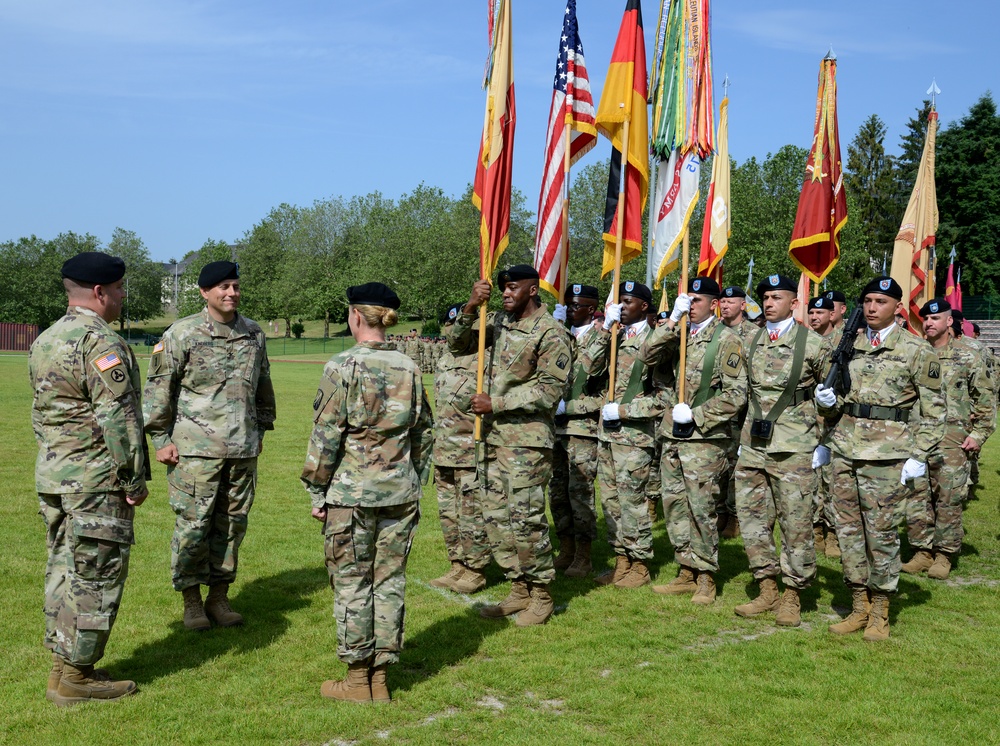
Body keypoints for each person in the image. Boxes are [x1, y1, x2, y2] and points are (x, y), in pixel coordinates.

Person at [302, 283, 432, 703]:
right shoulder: (408, 366)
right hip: (400, 492)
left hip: (352, 496)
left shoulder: (342, 365)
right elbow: (425, 430)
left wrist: (316, 491)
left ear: (356, 316)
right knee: (390, 582)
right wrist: (414, 477)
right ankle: (380, 678)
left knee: (352, 584)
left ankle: (358, 681)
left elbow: (325, 436)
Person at [30, 251, 148, 706]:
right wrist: (133, 481)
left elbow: (41, 415)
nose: (121, 296)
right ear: (99, 292)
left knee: (64, 571)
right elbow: (118, 420)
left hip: (56, 475)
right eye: (119, 289)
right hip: (96, 481)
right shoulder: (101, 344)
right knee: (96, 576)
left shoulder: (46, 339)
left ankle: (63, 667)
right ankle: (78, 676)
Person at [144, 261, 276, 630]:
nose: (231, 292)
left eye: (235, 285)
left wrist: (260, 430)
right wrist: (159, 438)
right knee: (193, 525)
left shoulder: (253, 333)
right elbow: (159, 389)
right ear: (204, 292)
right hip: (194, 451)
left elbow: (262, 383)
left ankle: (219, 597)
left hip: (242, 448)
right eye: (222, 287)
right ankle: (191, 602)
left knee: (233, 525)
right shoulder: (181, 334)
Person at [816, 277, 945, 641]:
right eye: (868, 301)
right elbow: (838, 397)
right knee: (848, 532)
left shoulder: (915, 350)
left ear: (897, 308)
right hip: (844, 449)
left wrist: (920, 455)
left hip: (888, 455)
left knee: (881, 533)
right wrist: (826, 404)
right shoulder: (848, 344)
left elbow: (936, 411)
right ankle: (859, 605)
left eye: (881, 302)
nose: (872, 308)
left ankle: (881, 610)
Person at [446, 265, 571, 626]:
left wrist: (496, 404)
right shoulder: (498, 322)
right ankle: (519, 588)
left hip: (526, 443)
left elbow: (549, 391)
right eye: (501, 288)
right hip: (491, 439)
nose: (504, 293)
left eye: (512, 287)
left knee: (526, 520)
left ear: (533, 290)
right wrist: (471, 305)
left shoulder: (551, 332)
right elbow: (457, 345)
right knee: (497, 518)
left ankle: (542, 594)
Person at [639, 276, 747, 605]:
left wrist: (698, 415)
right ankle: (685, 569)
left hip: (705, 438)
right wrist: (672, 319)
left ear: (714, 303)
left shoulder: (726, 339)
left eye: (698, 300)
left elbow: (737, 394)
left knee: (701, 508)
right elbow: (646, 354)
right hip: (673, 434)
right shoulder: (679, 334)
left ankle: (705, 577)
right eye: (689, 300)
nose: (693, 305)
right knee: (674, 506)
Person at [732, 275, 831, 627]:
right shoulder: (751, 340)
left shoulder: (815, 345)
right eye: (765, 297)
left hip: (794, 447)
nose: (769, 302)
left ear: (794, 302)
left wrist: (825, 437)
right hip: (753, 445)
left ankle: (793, 595)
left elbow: (834, 398)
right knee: (753, 521)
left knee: (796, 523)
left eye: (777, 297)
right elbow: (740, 391)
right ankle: (766, 587)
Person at [901, 299, 995, 579]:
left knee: (948, 497)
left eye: (935, 319)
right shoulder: (915, 352)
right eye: (926, 319)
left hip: (952, 439)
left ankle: (944, 554)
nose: (929, 323)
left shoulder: (969, 355)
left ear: (949, 322)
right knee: (917, 496)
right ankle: (922, 550)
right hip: (917, 437)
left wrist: (979, 434)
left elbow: (986, 398)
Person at [585, 281, 664, 588]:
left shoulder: (656, 341)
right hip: (608, 436)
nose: (622, 307)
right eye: (619, 302)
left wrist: (624, 411)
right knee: (612, 503)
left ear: (644, 306)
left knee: (633, 502)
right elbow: (589, 368)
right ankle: (621, 560)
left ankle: (640, 564)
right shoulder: (613, 337)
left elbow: (664, 398)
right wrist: (605, 328)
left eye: (628, 302)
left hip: (634, 435)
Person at [429, 303, 491, 593]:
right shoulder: (444, 359)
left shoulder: (484, 359)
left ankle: (476, 569)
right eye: (449, 326)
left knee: (471, 514)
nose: (453, 331)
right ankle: (457, 564)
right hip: (443, 449)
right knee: (449, 514)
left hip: (471, 451)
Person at [550, 283, 604, 577]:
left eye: (577, 305)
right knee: (557, 493)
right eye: (568, 304)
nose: (571, 309)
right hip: (554, 430)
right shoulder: (560, 336)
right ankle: (566, 548)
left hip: (582, 430)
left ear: (591, 308)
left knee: (579, 493)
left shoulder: (603, 338)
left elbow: (607, 392)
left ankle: (584, 554)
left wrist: (572, 408)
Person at [717, 285, 758, 538]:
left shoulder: (754, 334)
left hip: (742, 411)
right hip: (716, 406)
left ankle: (734, 516)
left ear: (743, 305)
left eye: (731, 302)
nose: (725, 306)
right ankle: (719, 510)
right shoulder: (715, 331)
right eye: (722, 301)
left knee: (736, 465)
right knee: (718, 463)